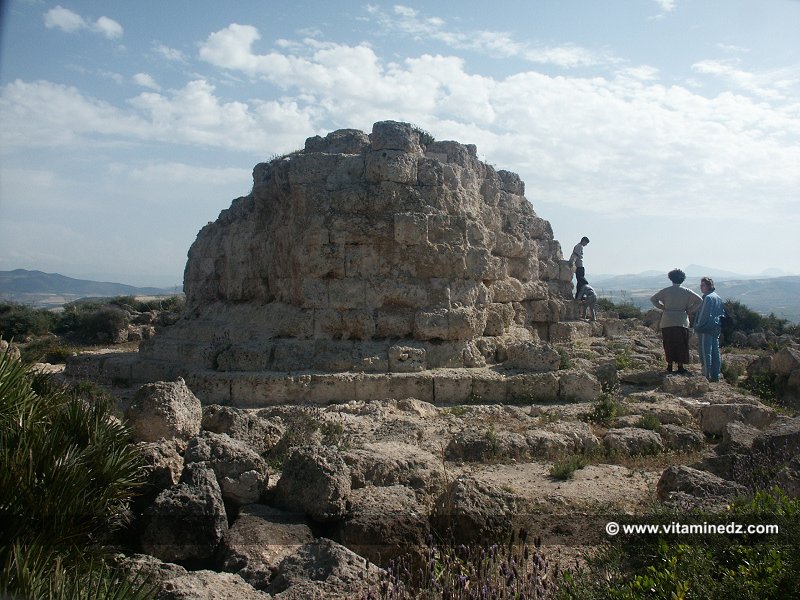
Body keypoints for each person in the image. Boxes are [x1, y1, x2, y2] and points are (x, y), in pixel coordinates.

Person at [650, 269, 702, 374]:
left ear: (671, 278)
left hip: (667, 320)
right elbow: (699, 300)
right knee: (681, 344)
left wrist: (662, 307)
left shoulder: (666, 291)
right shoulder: (686, 291)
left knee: (668, 343)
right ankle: (680, 366)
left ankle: (669, 365)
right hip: (681, 320)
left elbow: (653, 299)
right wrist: (689, 310)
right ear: (682, 279)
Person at [694, 276, 725, 382]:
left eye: (702, 285)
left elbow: (703, 315)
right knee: (715, 352)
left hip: (705, 328)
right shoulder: (717, 297)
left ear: (708, 286)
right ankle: (716, 375)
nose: (701, 287)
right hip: (716, 327)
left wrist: (697, 326)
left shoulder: (707, 298)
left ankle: (706, 375)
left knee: (705, 352)